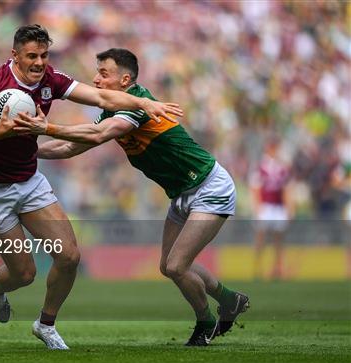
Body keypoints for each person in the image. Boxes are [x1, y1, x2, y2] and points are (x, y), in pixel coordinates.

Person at [0, 26, 183, 350]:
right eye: (32, 55)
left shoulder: (51, 81)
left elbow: (101, 96)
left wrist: (144, 105)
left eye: (44, 55)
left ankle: (45, 324)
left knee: (69, 255)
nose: (39, 62)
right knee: (24, 274)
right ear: (14, 55)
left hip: (29, 181)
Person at [14, 48, 249, 346]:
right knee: (169, 265)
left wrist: (46, 127)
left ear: (125, 80)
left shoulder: (139, 105)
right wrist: (26, 152)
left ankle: (206, 322)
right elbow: (71, 148)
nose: (96, 80)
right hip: (182, 194)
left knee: (177, 266)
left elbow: (98, 135)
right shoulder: (112, 111)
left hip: (210, 187)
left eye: (104, 74)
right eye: (96, 72)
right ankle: (230, 300)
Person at [250, 136, 293, 280]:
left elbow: (286, 189)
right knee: (261, 238)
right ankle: (257, 267)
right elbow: (255, 188)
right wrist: (257, 208)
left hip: (278, 207)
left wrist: (289, 208)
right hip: (266, 206)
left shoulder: (282, 168)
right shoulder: (261, 166)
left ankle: (277, 268)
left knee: (278, 239)